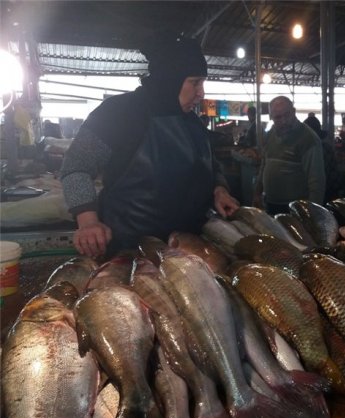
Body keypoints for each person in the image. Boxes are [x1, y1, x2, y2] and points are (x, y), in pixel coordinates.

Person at [60, 35, 239, 258]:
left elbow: (211, 166)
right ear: (170, 79)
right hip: (130, 251)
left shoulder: (193, 122)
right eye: (195, 82)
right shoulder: (119, 112)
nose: (201, 92)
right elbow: (76, 167)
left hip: (187, 248)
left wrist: (219, 190)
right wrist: (88, 222)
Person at [253, 96, 326, 214]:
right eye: (278, 117)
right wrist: (257, 192)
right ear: (271, 117)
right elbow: (264, 165)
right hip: (270, 205)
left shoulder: (308, 138)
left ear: (294, 112)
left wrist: (313, 214)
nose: (283, 121)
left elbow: (316, 180)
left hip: (296, 210)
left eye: (287, 115)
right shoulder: (270, 134)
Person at [303, 113, 342, 202]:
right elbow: (334, 173)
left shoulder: (304, 149)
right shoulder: (327, 148)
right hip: (328, 192)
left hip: (309, 194)